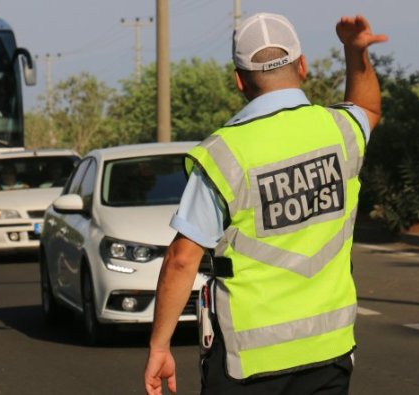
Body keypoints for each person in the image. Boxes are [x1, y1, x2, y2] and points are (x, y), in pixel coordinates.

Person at [144, 14, 387, 395]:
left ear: (239, 80)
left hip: (250, 365)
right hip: (329, 352)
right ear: (302, 66)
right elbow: (368, 108)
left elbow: (182, 258)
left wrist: (160, 345)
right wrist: (355, 53)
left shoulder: (225, 154)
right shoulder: (341, 131)